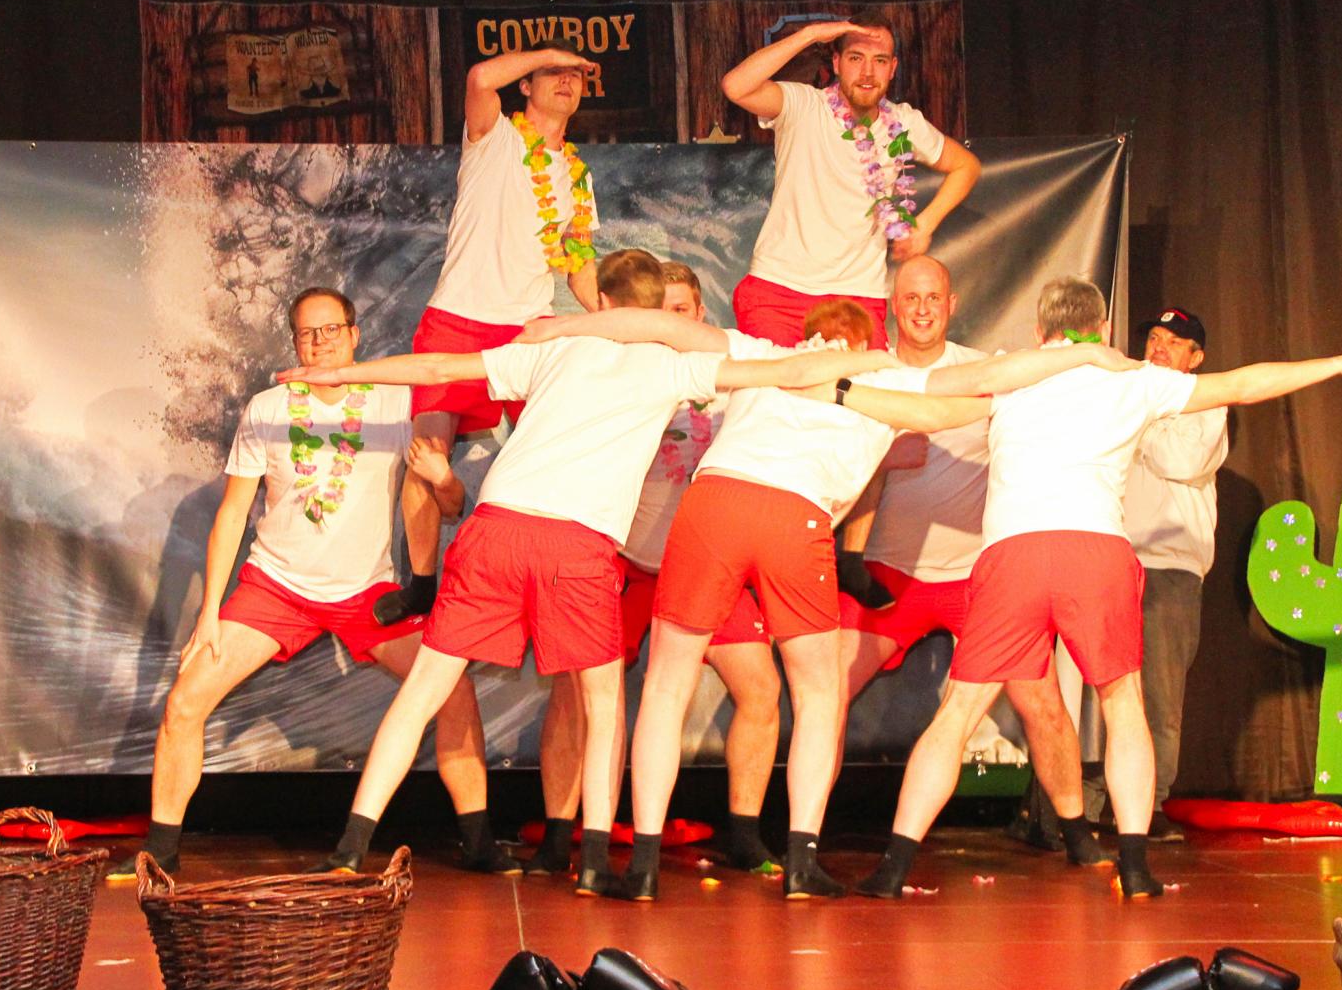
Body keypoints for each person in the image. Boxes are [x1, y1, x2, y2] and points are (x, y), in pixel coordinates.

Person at [281, 250, 889, 895]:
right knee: (603, 707)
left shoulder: (554, 348)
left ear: (599, 302)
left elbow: (436, 367)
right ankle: (594, 864)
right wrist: (878, 362)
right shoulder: (674, 366)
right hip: (577, 545)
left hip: (498, 529)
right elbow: (791, 370)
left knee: (423, 693)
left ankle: (350, 848)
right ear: (654, 310)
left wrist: (342, 372)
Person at [520, 295, 1143, 899]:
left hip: (715, 503)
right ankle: (801, 861)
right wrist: (1079, 359)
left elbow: (664, 328)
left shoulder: (764, 354)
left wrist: (565, 328)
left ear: (809, 335)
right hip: (793, 516)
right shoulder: (879, 377)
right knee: (819, 694)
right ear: (866, 342)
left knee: (665, 684)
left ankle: (644, 867)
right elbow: (980, 388)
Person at [852, 276, 1342, 900]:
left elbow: (926, 403)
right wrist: (1340, 363)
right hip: (1096, 553)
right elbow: (1244, 383)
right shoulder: (1131, 379)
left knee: (957, 712)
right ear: (1104, 330)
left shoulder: (1012, 373)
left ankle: (893, 869)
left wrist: (840, 389)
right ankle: (1136, 868)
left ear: (1039, 331)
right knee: (1124, 707)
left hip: (1014, 554)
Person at [109, 288, 511, 880]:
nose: (320, 342)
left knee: (454, 690)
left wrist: (444, 476)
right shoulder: (268, 408)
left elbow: (449, 505)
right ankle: (161, 852)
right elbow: (231, 514)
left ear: (354, 335)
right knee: (184, 701)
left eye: (331, 330)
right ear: (294, 341)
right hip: (276, 587)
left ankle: (478, 843)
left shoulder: (397, 402)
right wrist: (210, 613)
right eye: (307, 333)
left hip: (367, 593)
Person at [520, 262, 785, 879]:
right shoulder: (616, 367)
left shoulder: (730, 374)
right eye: (660, 311)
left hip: (705, 564)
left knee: (761, 687)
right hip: (624, 564)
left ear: (701, 314)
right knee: (577, 696)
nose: (672, 322)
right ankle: (560, 835)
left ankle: (746, 834)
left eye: (683, 310)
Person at [846, 257, 1104, 868]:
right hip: (888, 573)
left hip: (977, 579)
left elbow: (1054, 400)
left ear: (952, 303)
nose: (923, 309)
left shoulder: (988, 373)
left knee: (1043, 703)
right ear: (893, 304)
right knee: (824, 690)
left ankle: (1075, 830)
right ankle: (802, 834)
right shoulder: (869, 376)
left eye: (933, 297)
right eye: (911, 298)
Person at [386, 40, 602, 627]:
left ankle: (553, 574)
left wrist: (617, 315)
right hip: (458, 317)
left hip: (529, 326)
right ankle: (422, 586)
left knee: (558, 448)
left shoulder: (578, 177)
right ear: (526, 85)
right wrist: (552, 50)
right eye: (552, 72)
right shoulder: (494, 137)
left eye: (576, 75)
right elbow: (481, 77)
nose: (566, 81)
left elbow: (578, 264)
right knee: (427, 455)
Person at [720, 11, 981, 348]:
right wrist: (810, 35)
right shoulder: (804, 105)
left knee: (869, 380)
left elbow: (966, 166)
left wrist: (925, 224)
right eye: (856, 58)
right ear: (837, 63)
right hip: (780, 291)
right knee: (779, 382)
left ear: (893, 68)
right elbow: (735, 86)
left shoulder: (903, 122)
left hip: (857, 296)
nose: (868, 72)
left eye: (879, 60)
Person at [1082, 308, 1228, 840]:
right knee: (1101, 688)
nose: (1160, 346)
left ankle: (1151, 805)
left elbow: (1180, 459)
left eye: (1174, 341)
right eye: (1154, 337)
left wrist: (1137, 418)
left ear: (1196, 357)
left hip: (1170, 568)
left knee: (1160, 694)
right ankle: (1083, 805)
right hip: (1113, 560)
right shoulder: (1124, 393)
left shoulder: (1207, 399)